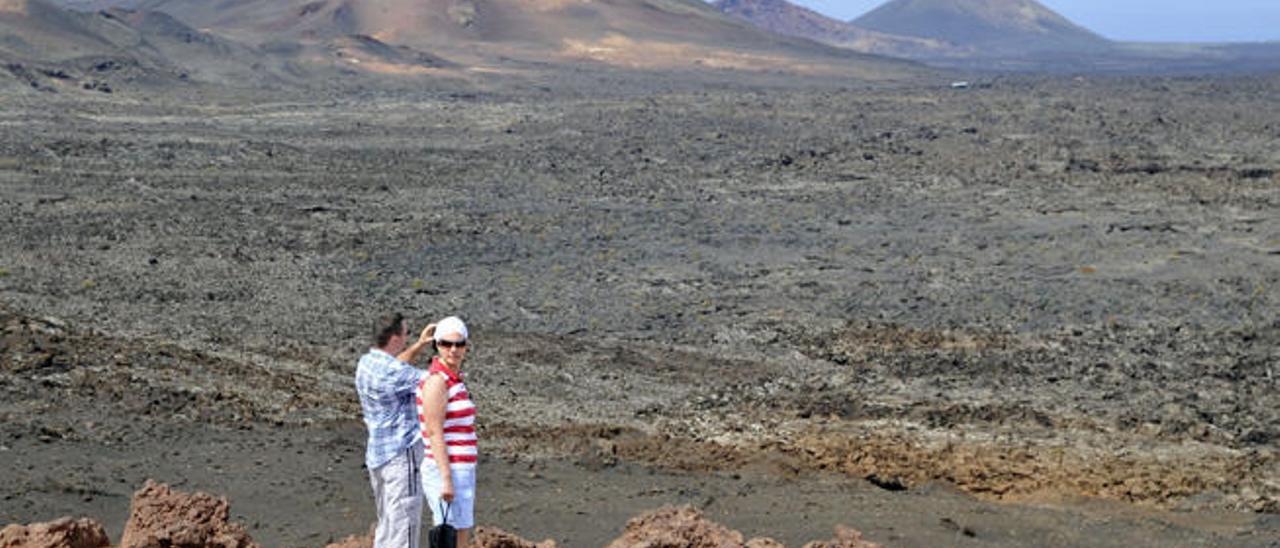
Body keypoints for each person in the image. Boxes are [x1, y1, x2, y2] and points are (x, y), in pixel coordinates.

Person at [355, 313, 434, 548]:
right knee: (404, 531)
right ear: (395, 338)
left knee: (387, 526)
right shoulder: (394, 373)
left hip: (378, 456)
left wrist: (420, 345)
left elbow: (396, 366)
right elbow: (437, 381)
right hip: (401, 456)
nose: (408, 338)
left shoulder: (366, 363)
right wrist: (451, 350)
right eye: (407, 334)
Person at [417, 316, 478, 547]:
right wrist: (446, 479)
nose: (453, 350)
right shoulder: (437, 382)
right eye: (446, 344)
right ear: (436, 345)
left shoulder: (454, 380)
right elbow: (434, 433)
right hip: (448, 469)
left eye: (459, 344)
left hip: (460, 468)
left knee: (460, 532)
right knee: (450, 535)